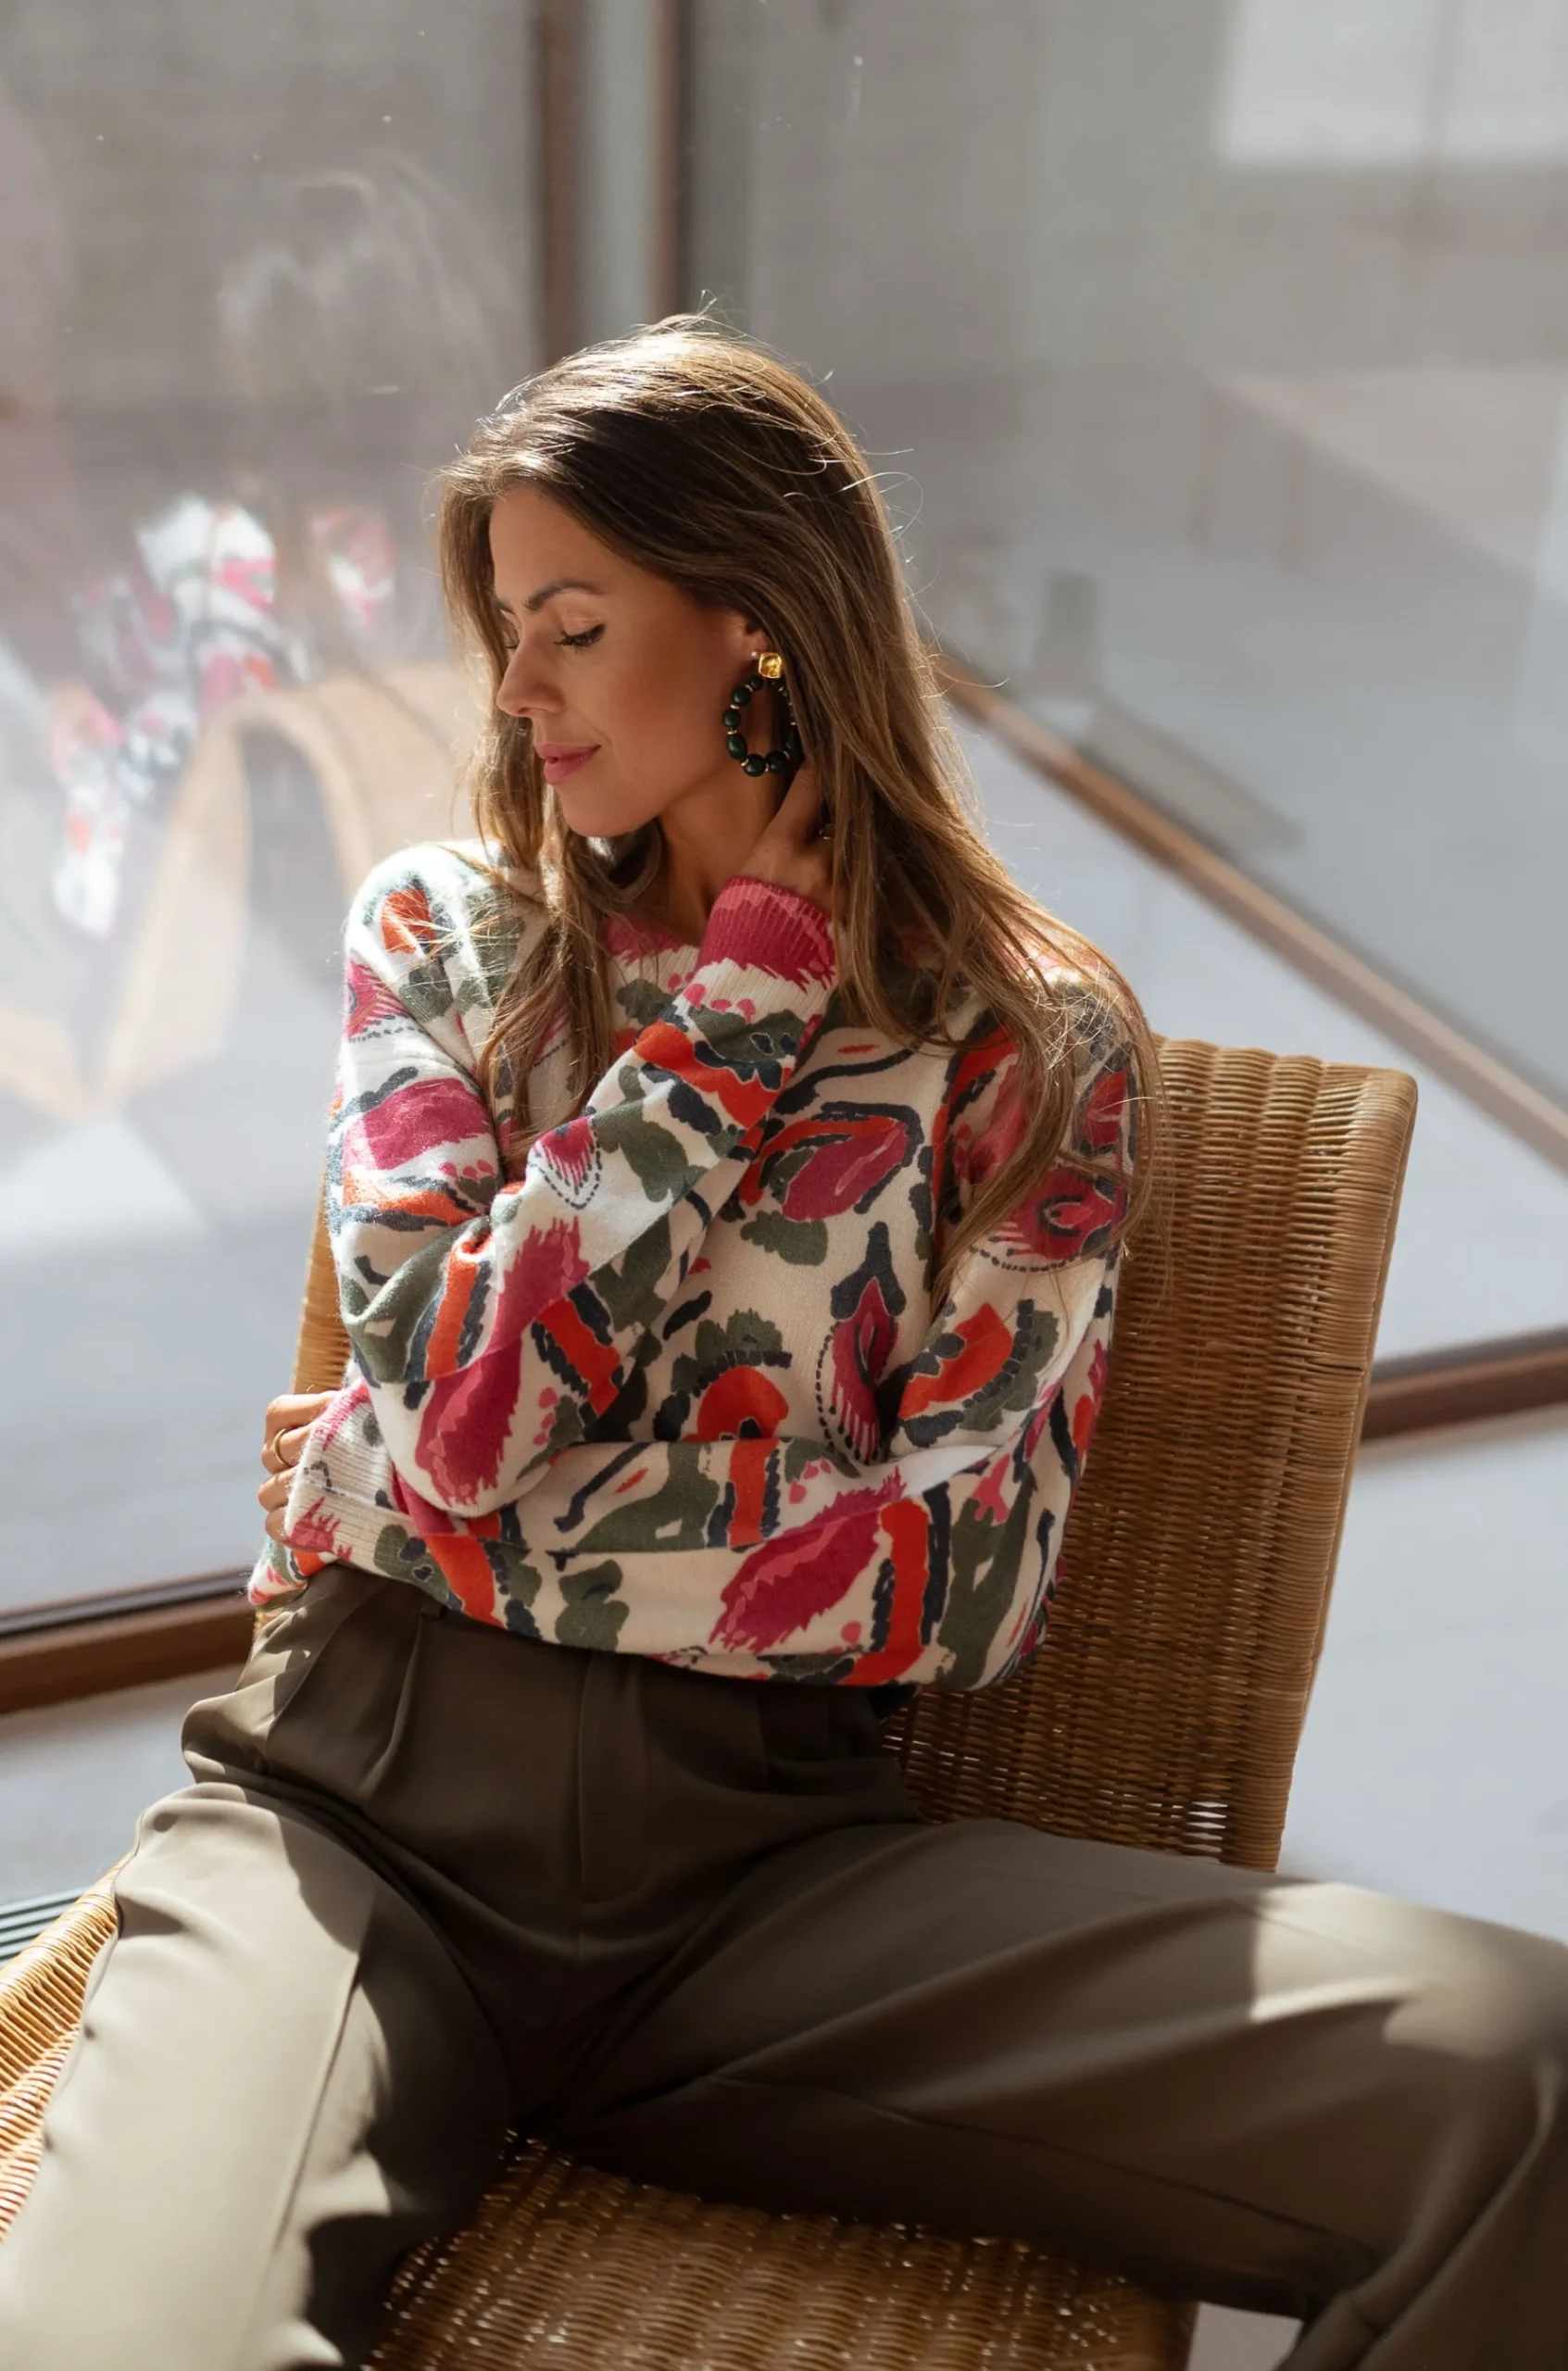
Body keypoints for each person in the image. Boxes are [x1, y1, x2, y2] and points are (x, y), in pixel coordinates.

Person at [0, 319, 1563, 2371]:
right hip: (350, 1836)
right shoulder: (445, 934)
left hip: (771, 1898)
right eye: (507, 628)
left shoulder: (1025, 1043)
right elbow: (465, 1404)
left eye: (572, 625)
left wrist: (381, 1494)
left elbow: (955, 1575)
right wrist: (739, 1014)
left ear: (759, 633)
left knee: (1530, 2078)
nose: (515, 687)